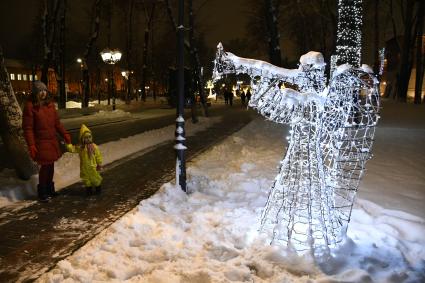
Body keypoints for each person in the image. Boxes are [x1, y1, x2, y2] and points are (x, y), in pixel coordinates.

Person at [23, 81, 71, 202]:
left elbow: (57, 123)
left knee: (51, 166)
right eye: (40, 91)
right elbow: (28, 128)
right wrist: (32, 144)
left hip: (52, 141)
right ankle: (43, 192)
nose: (43, 93)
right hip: (41, 141)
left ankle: (50, 188)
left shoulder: (50, 105)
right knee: (45, 167)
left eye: (44, 90)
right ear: (35, 93)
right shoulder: (30, 106)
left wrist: (64, 134)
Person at [66, 124, 103, 196]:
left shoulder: (94, 147)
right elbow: (73, 149)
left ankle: (98, 190)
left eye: (89, 137)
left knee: (96, 179)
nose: (88, 139)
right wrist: (68, 144)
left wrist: (99, 163)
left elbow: (98, 156)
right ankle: (89, 191)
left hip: (93, 167)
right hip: (84, 168)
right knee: (86, 180)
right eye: (86, 137)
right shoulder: (81, 147)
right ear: (82, 138)